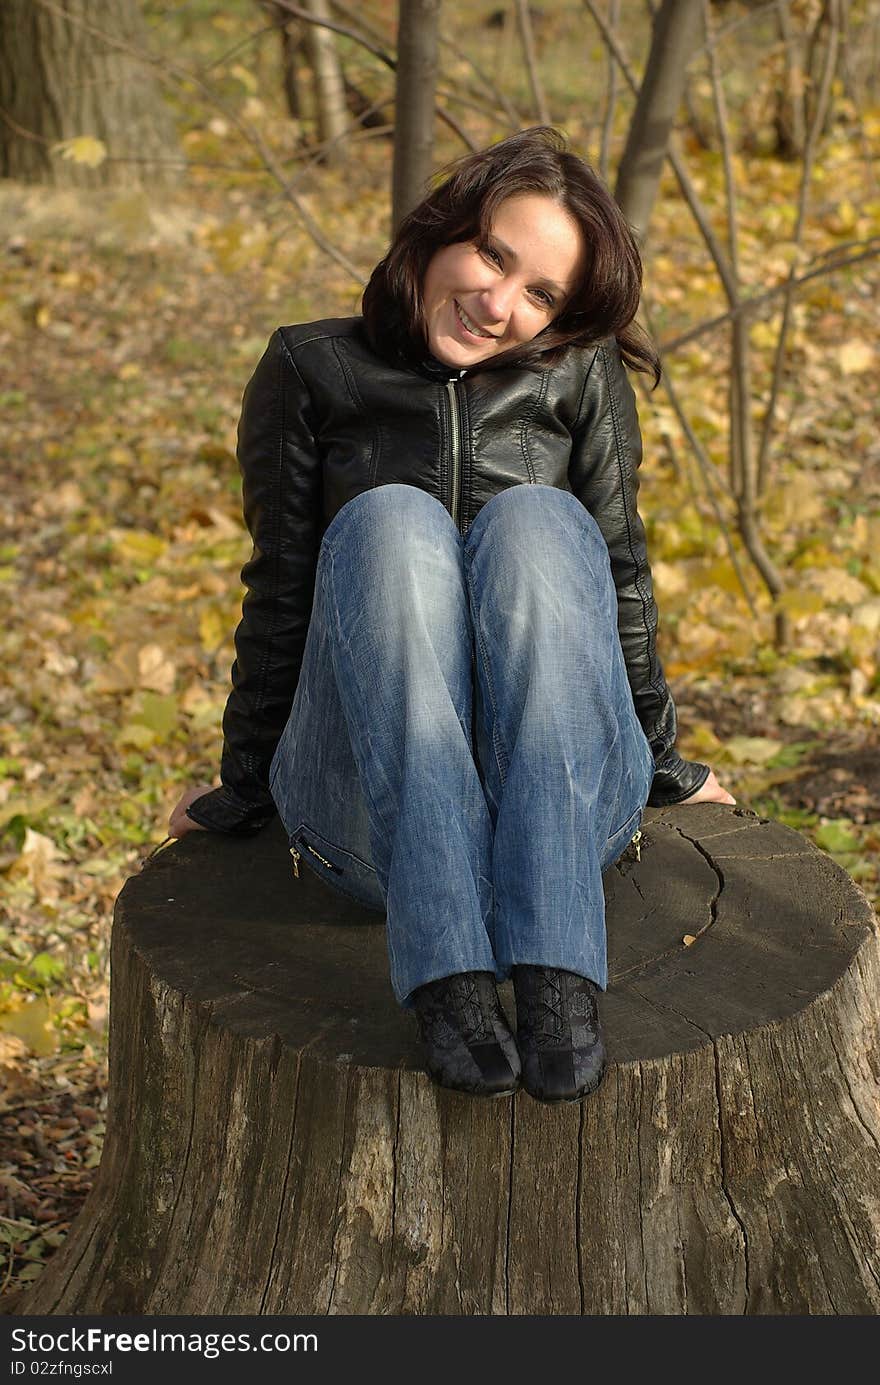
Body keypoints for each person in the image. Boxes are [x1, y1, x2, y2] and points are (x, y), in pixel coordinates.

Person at [168, 126, 734, 1106]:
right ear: (438, 233)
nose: (498, 303)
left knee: (537, 520)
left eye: (540, 293)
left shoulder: (578, 375)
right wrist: (242, 782)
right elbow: (283, 588)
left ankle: (556, 974)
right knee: (388, 521)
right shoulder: (311, 368)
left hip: (557, 800)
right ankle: (449, 974)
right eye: (492, 255)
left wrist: (664, 758)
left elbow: (622, 573)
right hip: (368, 816)